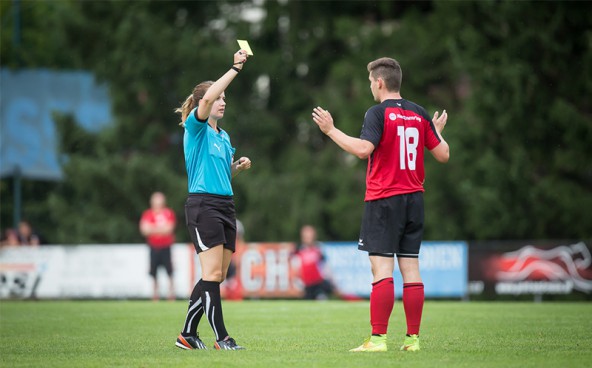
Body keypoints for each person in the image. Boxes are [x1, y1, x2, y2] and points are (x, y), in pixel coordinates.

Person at [312, 57, 449, 352]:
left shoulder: (377, 112)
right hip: (415, 199)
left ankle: (377, 340)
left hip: (385, 199)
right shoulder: (419, 113)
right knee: (411, 268)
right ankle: (412, 341)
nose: (370, 87)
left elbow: (363, 149)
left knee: (382, 269)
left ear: (379, 82)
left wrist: (330, 131)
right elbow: (443, 155)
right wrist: (436, 131)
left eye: (370, 83)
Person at [174, 48, 251, 351]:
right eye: (219, 98)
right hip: (203, 206)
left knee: (214, 277)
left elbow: (217, 174)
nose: (222, 102)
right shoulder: (195, 128)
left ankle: (187, 334)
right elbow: (205, 99)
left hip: (225, 206)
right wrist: (235, 69)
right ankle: (223, 338)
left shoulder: (225, 136)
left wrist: (235, 168)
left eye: (224, 99)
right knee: (212, 274)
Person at [139, 191, 177, 301]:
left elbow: (169, 229)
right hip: (153, 246)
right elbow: (144, 230)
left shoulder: (168, 213)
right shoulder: (148, 214)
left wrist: (152, 229)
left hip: (166, 246)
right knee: (153, 271)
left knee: (169, 270)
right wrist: (160, 229)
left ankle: (171, 294)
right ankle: (155, 294)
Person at [293, 225, 333, 300]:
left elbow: (325, 265)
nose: (308, 238)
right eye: (306, 236)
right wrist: (298, 283)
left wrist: (329, 279)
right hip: (306, 285)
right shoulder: (299, 250)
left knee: (321, 296)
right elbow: (295, 268)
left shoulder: (318, 248)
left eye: (310, 236)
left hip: (319, 283)